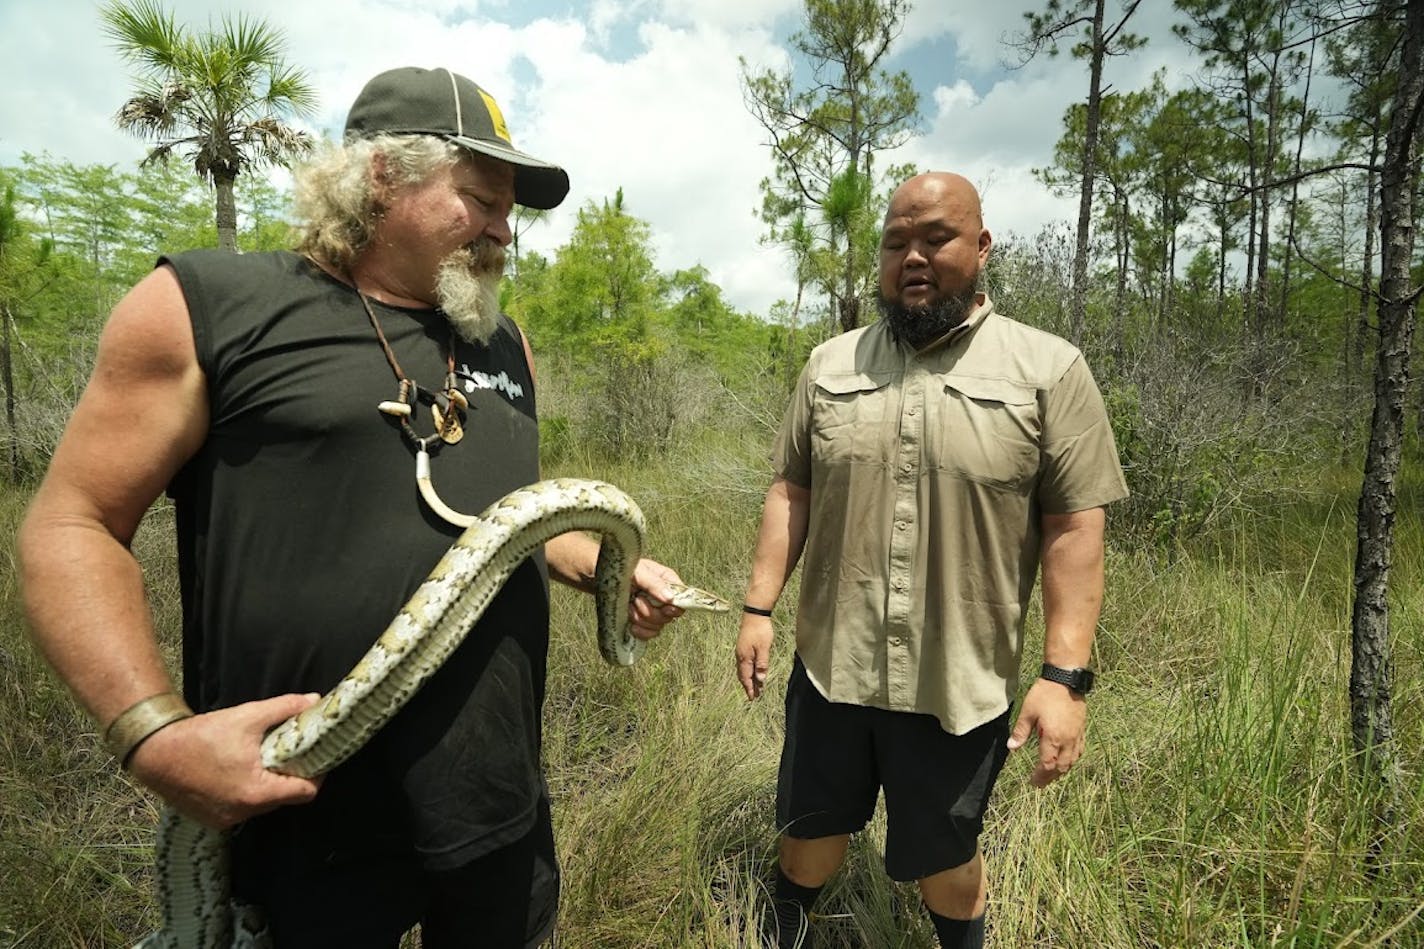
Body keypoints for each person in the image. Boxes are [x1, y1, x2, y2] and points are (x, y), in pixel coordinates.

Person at [17, 66, 691, 947]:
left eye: (509, 209)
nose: (505, 230)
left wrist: (604, 563)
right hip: (297, 806)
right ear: (384, 176)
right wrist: (151, 734)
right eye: (482, 199)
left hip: (495, 805)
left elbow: (495, 513)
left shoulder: (502, 342)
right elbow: (71, 526)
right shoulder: (210, 306)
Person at [735, 171, 1129, 948]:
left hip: (959, 676)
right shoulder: (830, 365)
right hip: (832, 667)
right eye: (895, 241)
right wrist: (757, 607)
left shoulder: (1047, 370)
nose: (912, 256)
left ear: (981, 246)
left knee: (948, 860)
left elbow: (1075, 527)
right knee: (809, 838)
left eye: (935, 237)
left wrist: (1064, 677)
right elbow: (792, 491)